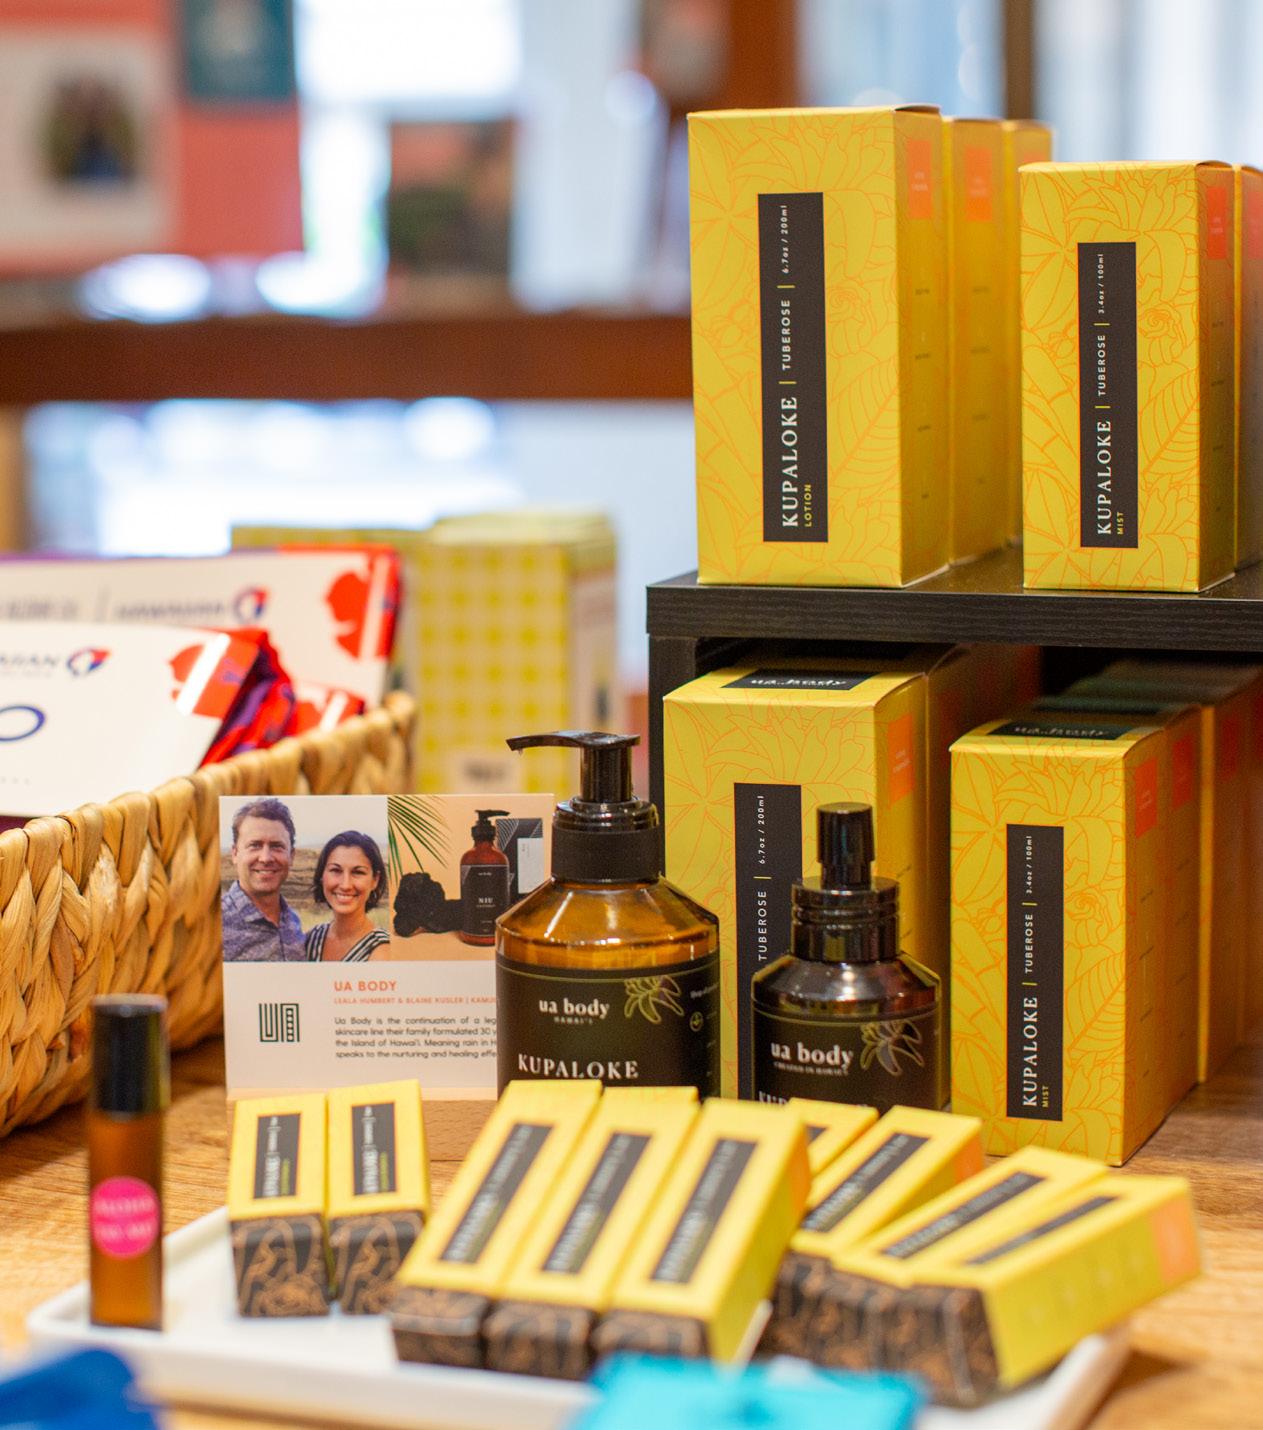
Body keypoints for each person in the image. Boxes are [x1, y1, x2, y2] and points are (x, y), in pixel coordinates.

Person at [221, 798, 306, 963]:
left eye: (276, 846)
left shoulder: (293, 921)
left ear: (291, 856)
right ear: (235, 853)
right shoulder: (216, 923)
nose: (266, 858)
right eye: (255, 845)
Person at [305, 830, 390, 963]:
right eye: (336, 870)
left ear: (375, 880)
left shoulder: (384, 952)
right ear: (322, 876)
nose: (345, 885)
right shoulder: (310, 940)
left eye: (358, 872)